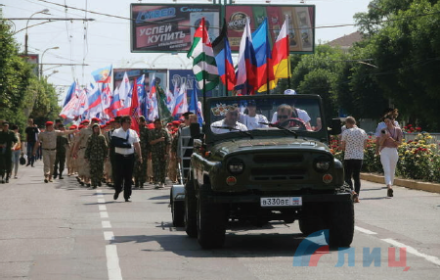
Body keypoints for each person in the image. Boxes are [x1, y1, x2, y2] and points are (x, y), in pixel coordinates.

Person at [112, 116, 142, 202]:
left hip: (130, 157)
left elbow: (137, 145)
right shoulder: (116, 132)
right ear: (123, 123)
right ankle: (118, 190)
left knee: (128, 177)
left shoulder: (133, 133)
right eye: (127, 122)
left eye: (130, 122)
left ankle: (127, 195)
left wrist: (140, 156)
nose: (129, 124)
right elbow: (114, 143)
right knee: (119, 176)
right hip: (119, 157)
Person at [340, 117, 368, 203]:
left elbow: (343, 146)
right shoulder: (362, 131)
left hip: (349, 157)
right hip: (359, 157)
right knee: (356, 177)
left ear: (348, 123)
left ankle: (352, 192)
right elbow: (365, 145)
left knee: (347, 177)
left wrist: (345, 149)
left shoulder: (346, 132)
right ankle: (357, 195)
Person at [378, 116, 403, 197]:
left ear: (392, 121)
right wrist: (384, 138)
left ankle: (390, 186)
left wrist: (391, 139)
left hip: (394, 151)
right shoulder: (383, 130)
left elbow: (399, 143)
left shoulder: (398, 130)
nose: (387, 123)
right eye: (385, 122)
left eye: (388, 121)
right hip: (385, 151)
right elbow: (380, 143)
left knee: (392, 170)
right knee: (387, 170)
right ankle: (389, 187)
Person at [149, 119, 171, 188]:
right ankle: (156, 182)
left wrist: (166, 153)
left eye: (159, 123)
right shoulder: (152, 132)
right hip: (155, 152)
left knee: (163, 167)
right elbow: (150, 142)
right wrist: (159, 140)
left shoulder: (165, 131)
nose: (158, 125)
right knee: (156, 167)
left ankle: (162, 182)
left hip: (163, 152)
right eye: (156, 123)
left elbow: (168, 143)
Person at [85, 123, 108, 189]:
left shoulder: (102, 137)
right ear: (93, 129)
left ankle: (99, 180)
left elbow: (105, 147)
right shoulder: (90, 137)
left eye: (98, 128)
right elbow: (88, 147)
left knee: (100, 169)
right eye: (95, 128)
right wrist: (86, 156)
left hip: (100, 156)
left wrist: (106, 156)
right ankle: (94, 183)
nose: (96, 130)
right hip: (93, 156)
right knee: (93, 170)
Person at [134, 116, 149, 189]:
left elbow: (148, 141)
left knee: (143, 167)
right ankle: (136, 181)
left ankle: (142, 182)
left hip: (144, 151)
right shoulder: (135, 129)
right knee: (136, 167)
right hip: (135, 151)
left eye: (140, 121)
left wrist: (149, 151)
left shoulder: (146, 130)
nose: (138, 122)